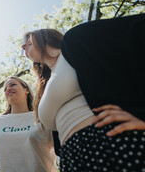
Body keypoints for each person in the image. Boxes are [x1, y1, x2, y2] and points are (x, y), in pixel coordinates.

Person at [22, 13, 145, 171]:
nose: (23, 46)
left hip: (111, 141)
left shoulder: (76, 40)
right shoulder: (45, 86)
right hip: (71, 158)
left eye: (28, 40)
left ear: (44, 36)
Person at [0, 76, 57, 172]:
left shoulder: (42, 117)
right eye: (5, 89)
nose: (8, 89)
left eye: (13, 84)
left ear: (26, 90)